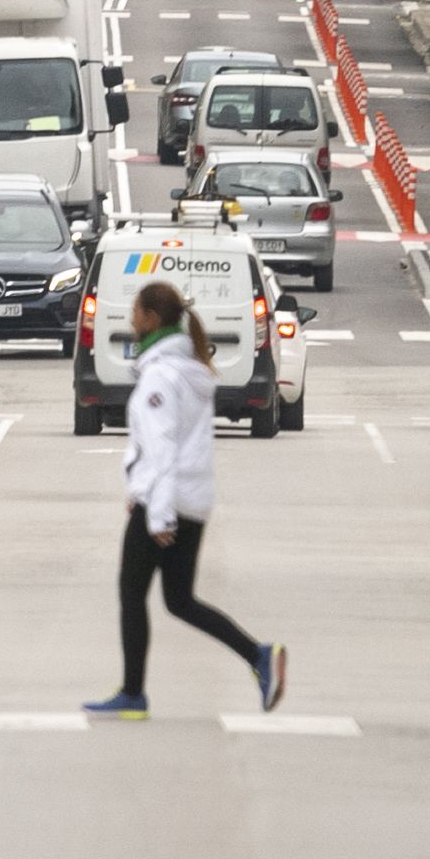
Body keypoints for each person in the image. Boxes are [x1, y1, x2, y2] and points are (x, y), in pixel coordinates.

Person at [91, 278, 284, 718]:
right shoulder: (188, 370)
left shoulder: (161, 375)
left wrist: (155, 513)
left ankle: (134, 695)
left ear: (151, 319)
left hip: (168, 503)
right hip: (191, 498)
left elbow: (161, 446)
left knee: (131, 593)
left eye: (135, 312)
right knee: (179, 600)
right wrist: (141, 490)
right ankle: (257, 655)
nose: (130, 319)